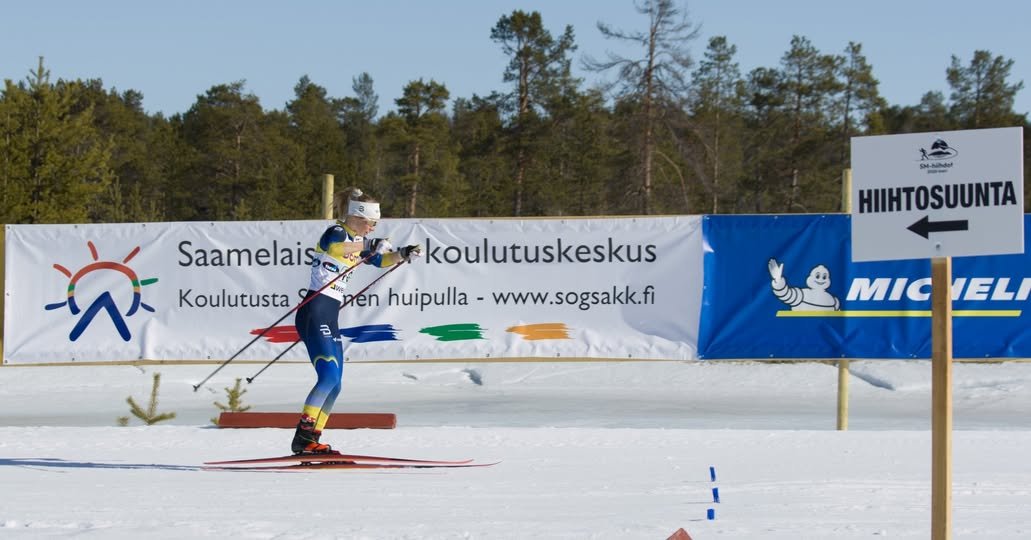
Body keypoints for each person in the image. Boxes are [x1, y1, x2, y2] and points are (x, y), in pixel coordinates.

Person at [291, 187, 421, 455]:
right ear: (356, 217)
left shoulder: (356, 240)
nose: (372, 228)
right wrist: (368, 245)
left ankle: (313, 437)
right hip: (315, 310)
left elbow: (380, 261)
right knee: (327, 376)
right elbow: (337, 248)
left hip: (329, 313)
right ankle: (302, 440)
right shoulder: (338, 233)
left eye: (375, 225)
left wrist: (402, 254)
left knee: (336, 384)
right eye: (370, 223)